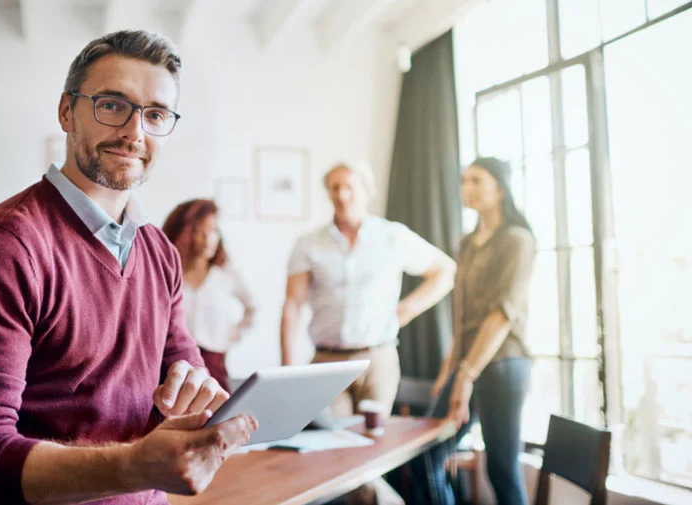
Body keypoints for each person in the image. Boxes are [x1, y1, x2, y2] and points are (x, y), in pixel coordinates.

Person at [0, 30, 257, 505]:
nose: (135, 132)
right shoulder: (1, 248)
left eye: (156, 114)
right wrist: (133, 464)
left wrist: (197, 396)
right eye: (112, 104)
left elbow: (185, 369)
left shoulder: (160, 251)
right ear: (67, 112)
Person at [281, 160, 456, 505]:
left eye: (350, 187)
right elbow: (291, 306)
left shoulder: (392, 235)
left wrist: (405, 310)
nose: (342, 195)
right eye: (335, 188)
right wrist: (289, 371)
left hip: (378, 359)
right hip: (327, 363)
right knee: (338, 454)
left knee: (372, 453)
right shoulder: (308, 243)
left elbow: (444, 271)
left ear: (367, 192)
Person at [422, 157, 536, 505]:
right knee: (428, 456)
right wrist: (449, 369)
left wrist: (466, 374)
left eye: (476, 180)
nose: (466, 188)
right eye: (464, 180)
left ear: (500, 189)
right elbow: (462, 315)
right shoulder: (467, 244)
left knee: (501, 469)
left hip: (504, 365)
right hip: (467, 364)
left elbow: (503, 314)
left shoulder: (517, 239)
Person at [162, 199, 256, 393]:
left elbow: (253, 308)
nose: (207, 239)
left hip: (214, 367)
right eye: (199, 230)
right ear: (181, 233)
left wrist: (229, 338)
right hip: (169, 371)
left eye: (213, 230)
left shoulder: (225, 274)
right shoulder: (165, 274)